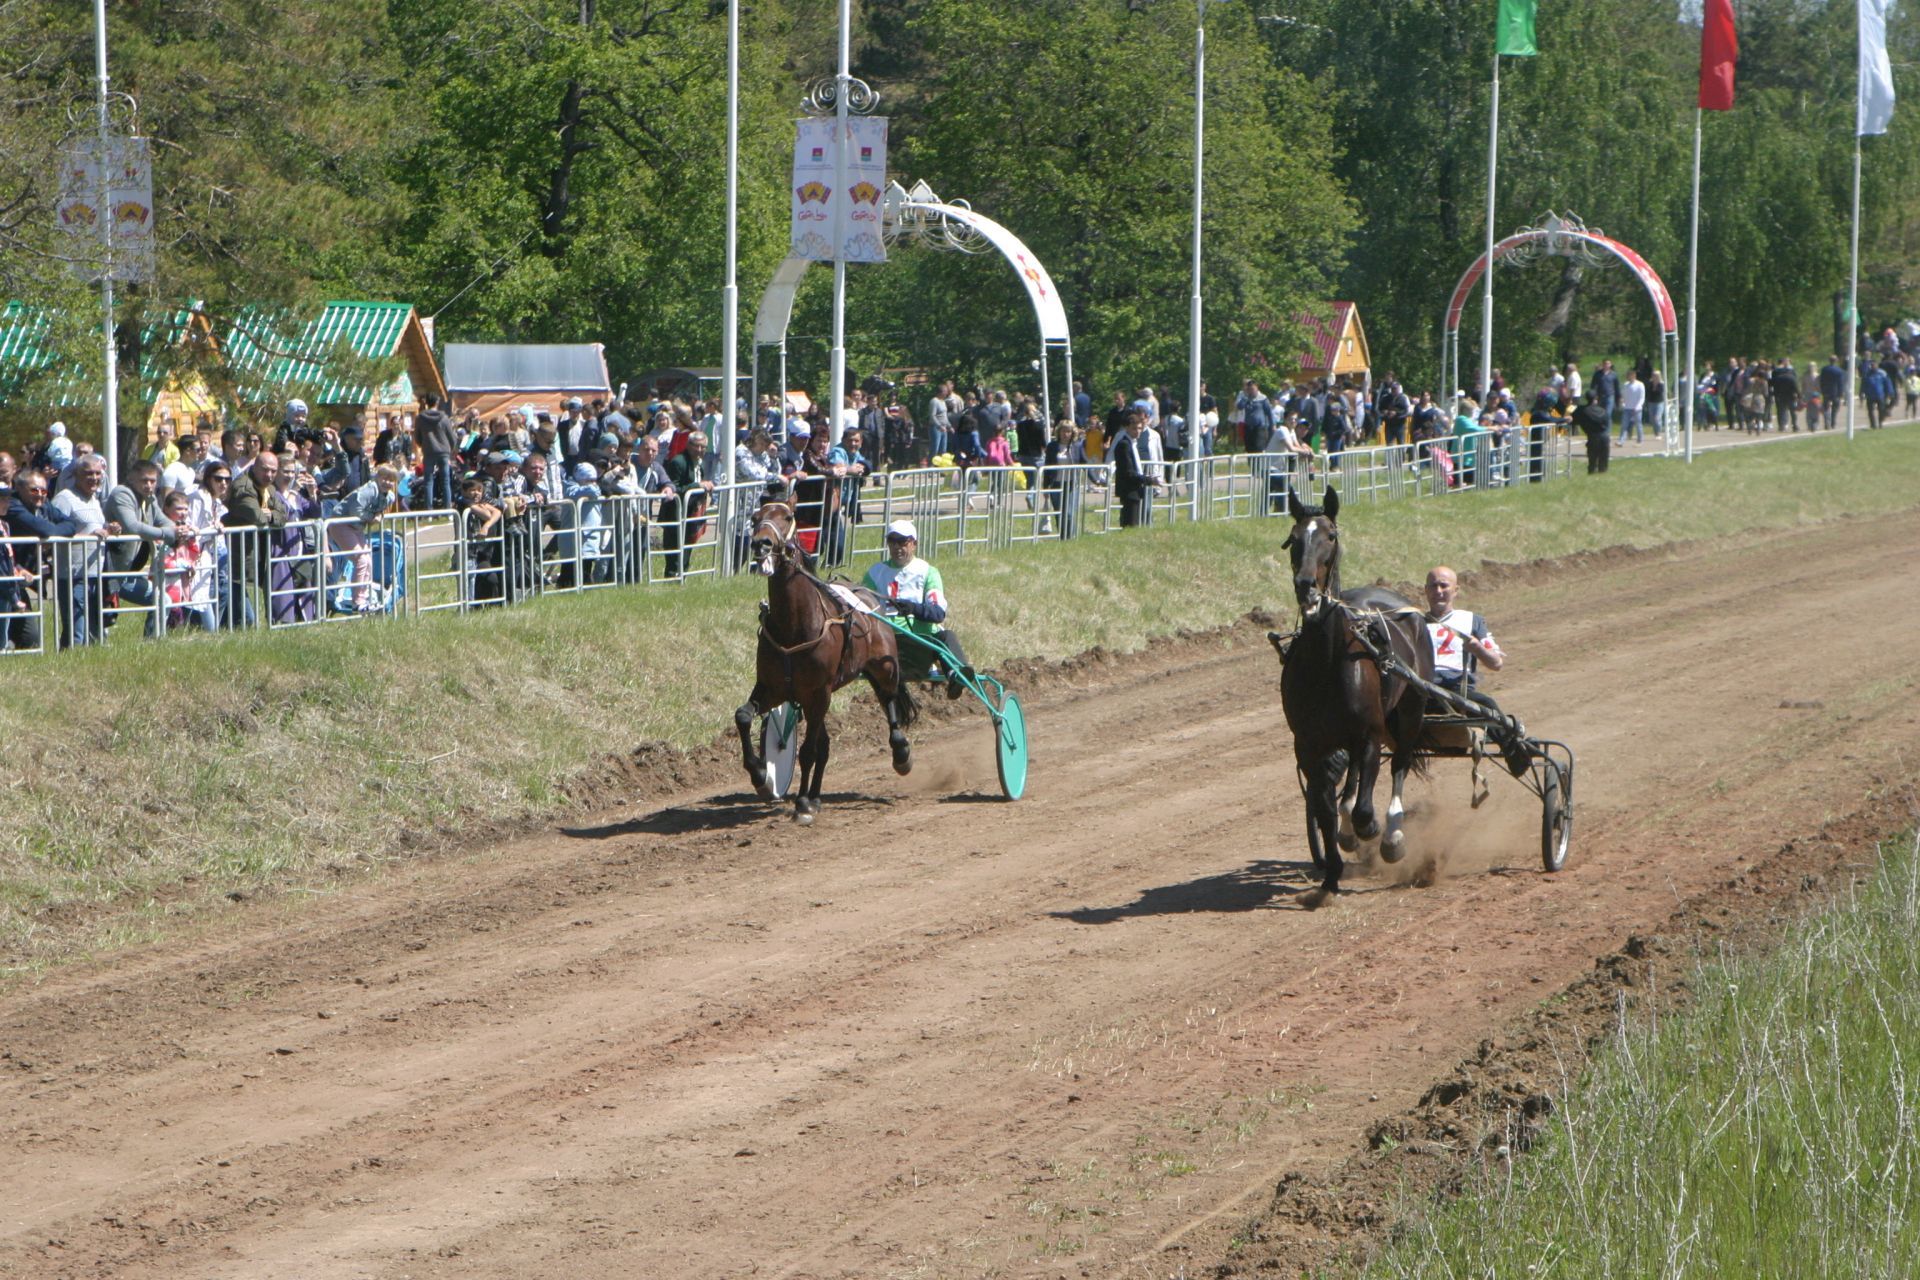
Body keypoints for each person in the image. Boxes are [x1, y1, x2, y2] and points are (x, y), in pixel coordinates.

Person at [1423, 565, 1527, 773]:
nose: (1439, 591)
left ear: (1456, 590)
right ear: (1426, 590)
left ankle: (1515, 753)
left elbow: (1496, 663)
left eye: (1444, 586)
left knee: (1487, 705)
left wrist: (1477, 647)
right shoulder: (1413, 621)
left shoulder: (1472, 621)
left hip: (1457, 692)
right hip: (1421, 689)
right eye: (1433, 586)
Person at [864, 518, 971, 699]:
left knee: (946, 636)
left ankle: (956, 674)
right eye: (892, 541)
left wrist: (913, 608)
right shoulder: (874, 573)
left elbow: (938, 613)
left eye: (903, 541)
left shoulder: (927, 572)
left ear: (914, 544)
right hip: (886, 644)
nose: (897, 547)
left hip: (921, 643)